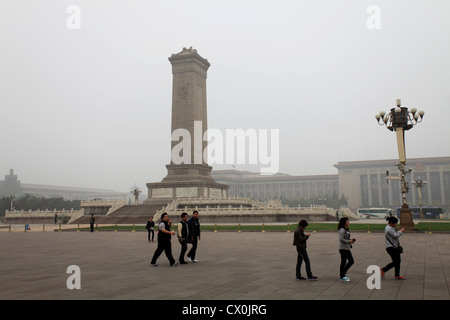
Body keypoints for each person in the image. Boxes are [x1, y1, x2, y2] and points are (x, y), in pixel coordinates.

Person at [338, 217, 355, 282]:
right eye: (347, 221)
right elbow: (341, 239)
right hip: (343, 248)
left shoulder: (345, 229)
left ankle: (343, 272)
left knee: (351, 261)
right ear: (344, 222)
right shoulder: (342, 230)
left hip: (346, 248)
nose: (348, 222)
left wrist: (350, 240)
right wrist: (349, 241)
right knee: (344, 262)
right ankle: (342, 276)